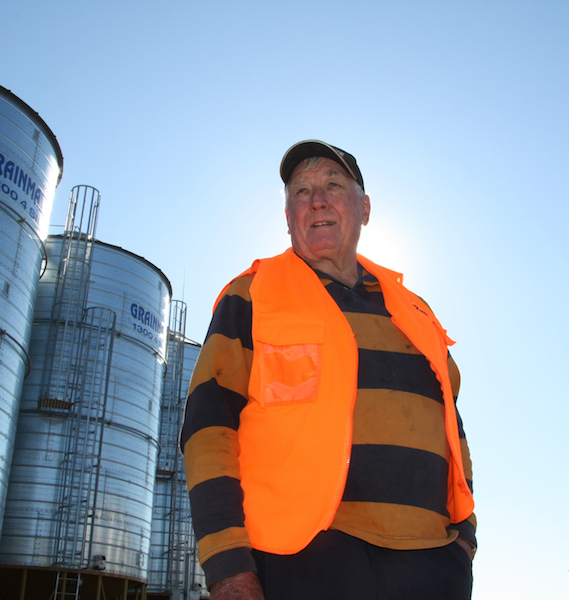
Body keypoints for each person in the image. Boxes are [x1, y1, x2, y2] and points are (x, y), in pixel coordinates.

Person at [180, 140, 476, 600]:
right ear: (287, 216)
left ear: (365, 208)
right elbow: (207, 431)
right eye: (300, 191)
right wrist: (228, 567)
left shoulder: (417, 313)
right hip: (301, 566)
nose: (316, 200)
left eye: (333, 185)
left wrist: (464, 538)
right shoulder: (252, 295)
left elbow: (453, 430)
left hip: (432, 564)